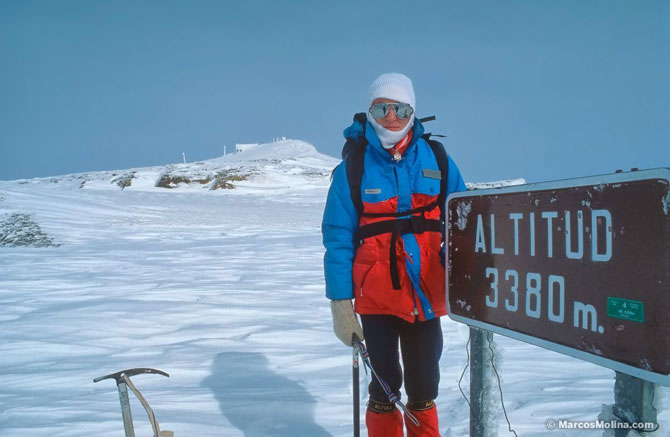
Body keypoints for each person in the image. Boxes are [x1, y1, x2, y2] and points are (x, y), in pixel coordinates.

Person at [322, 73, 466, 437]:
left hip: (426, 295)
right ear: (369, 111)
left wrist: (469, 275)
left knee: (423, 389)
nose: (391, 116)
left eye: (400, 108)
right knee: (383, 389)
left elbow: (464, 223)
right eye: (382, 107)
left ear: (412, 112)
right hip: (376, 300)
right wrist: (341, 303)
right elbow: (338, 239)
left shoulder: (437, 159)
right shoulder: (351, 170)